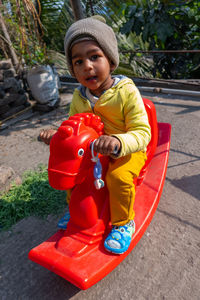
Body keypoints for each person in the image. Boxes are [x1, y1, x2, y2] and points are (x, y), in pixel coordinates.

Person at [39, 16, 151, 254]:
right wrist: (58, 135)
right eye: (78, 61)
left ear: (110, 60)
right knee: (74, 172)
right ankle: (76, 210)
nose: (87, 66)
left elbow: (142, 133)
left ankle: (123, 222)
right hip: (93, 152)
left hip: (127, 150)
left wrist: (118, 142)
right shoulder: (80, 97)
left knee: (118, 178)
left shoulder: (126, 92)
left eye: (94, 57)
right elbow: (74, 126)